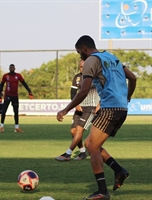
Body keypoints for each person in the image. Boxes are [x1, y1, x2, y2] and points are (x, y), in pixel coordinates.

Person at [56, 35, 136, 200]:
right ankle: (119, 170)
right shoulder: (111, 58)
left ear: (84, 48)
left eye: (79, 52)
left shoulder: (91, 60)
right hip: (120, 108)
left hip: (109, 109)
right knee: (89, 143)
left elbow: (83, 91)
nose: (80, 57)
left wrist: (65, 109)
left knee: (92, 148)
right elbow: (133, 78)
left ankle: (102, 191)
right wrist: (127, 97)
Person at [55, 60, 100, 161]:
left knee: (79, 130)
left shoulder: (96, 77)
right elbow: (73, 92)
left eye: (84, 66)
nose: (82, 69)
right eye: (80, 67)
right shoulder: (77, 77)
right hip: (80, 107)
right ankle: (83, 152)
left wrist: (99, 104)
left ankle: (67, 154)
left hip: (90, 108)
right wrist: (75, 104)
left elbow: (104, 91)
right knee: (73, 131)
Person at [0, 64, 34, 133]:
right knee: (3, 111)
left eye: (12, 67)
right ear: (9, 68)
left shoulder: (18, 76)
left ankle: (16, 128)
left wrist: (29, 91)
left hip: (15, 96)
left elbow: (24, 83)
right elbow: (2, 85)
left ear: (15, 68)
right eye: (10, 67)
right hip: (7, 96)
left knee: (16, 112)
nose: (11, 69)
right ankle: (1, 127)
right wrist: (0, 95)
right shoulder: (5, 76)